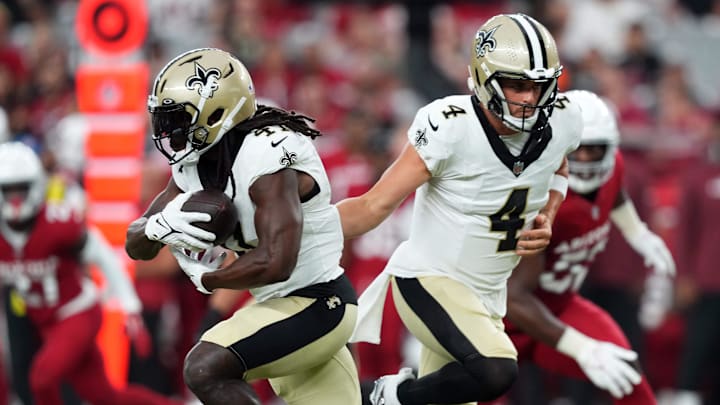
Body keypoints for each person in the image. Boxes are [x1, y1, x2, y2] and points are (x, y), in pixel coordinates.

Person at [337, 13, 582, 405]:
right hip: (428, 279)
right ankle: (383, 397)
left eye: (539, 86)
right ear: (484, 80)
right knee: (496, 367)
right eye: (516, 85)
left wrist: (548, 215)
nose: (529, 99)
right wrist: (303, 227)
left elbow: (560, 166)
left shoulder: (565, 121)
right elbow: (373, 205)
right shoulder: (449, 125)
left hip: (485, 295)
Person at [124, 47, 361, 405]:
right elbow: (134, 244)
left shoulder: (266, 154)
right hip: (282, 307)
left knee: (204, 368)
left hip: (318, 303)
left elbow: (277, 261)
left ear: (216, 112)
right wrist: (157, 226)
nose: (168, 131)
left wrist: (210, 278)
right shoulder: (196, 163)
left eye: (176, 119)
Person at [503, 89, 676, 404]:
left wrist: (638, 233)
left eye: (594, 150)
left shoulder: (613, 167)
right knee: (476, 393)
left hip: (560, 306)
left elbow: (615, 191)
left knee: (627, 372)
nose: (584, 159)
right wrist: (584, 349)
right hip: (500, 323)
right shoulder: (541, 197)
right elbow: (513, 297)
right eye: (576, 149)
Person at [0, 141, 179, 405]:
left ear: (36, 186)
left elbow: (104, 256)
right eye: (7, 190)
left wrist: (129, 305)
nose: (15, 199)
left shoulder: (57, 223)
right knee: (105, 396)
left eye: (20, 189)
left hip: (77, 312)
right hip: (46, 322)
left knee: (41, 377)